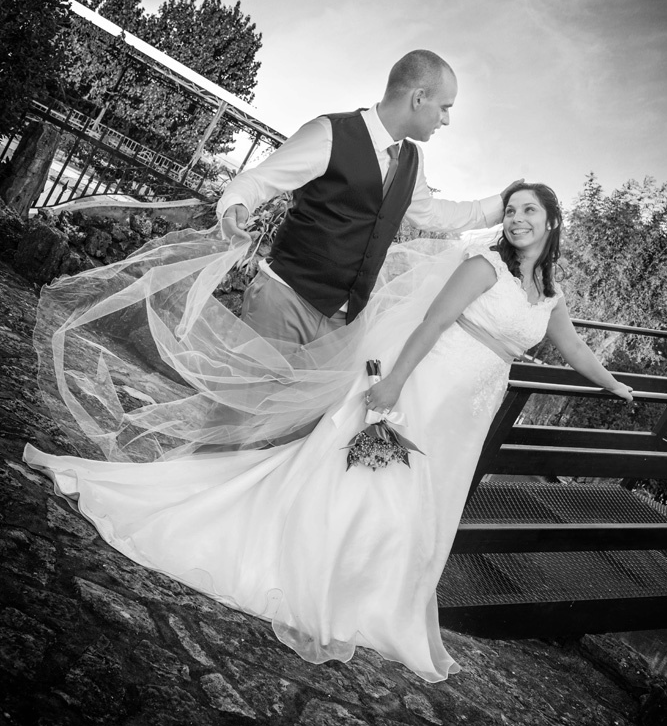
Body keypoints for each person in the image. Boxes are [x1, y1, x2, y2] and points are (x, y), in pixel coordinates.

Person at [24, 182, 632, 683]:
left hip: (469, 409)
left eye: (530, 211)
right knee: (374, 480)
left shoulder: (548, 296)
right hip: (426, 381)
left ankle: (373, 591)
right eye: (512, 209)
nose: (518, 219)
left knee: (425, 495)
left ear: (552, 222)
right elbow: (431, 323)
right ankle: (325, 580)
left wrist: (618, 387)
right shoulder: (484, 268)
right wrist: (393, 385)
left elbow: (574, 348)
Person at [218, 49, 522, 344]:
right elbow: (259, 179)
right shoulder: (329, 132)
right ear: (418, 98)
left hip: (342, 324)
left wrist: (502, 204)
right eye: (445, 107)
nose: (446, 119)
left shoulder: (412, 159)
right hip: (284, 300)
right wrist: (236, 205)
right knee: (249, 382)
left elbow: (431, 213)